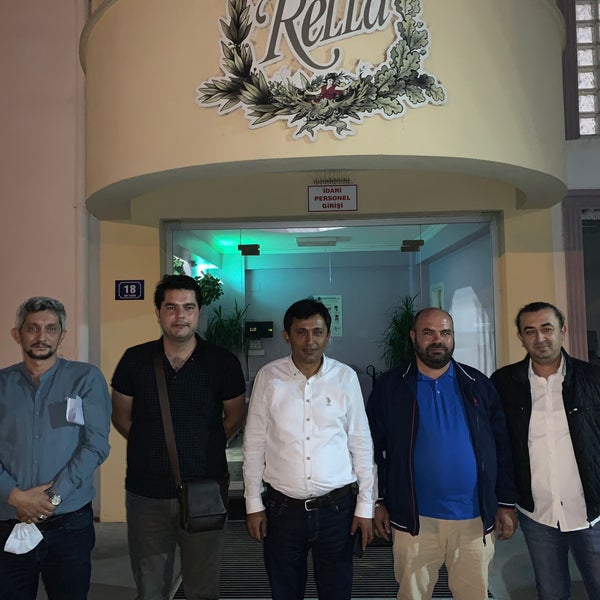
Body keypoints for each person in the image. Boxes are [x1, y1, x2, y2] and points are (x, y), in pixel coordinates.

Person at [111, 274, 246, 600]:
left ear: (199, 311)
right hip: (146, 495)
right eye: (171, 307)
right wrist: (150, 445)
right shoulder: (135, 360)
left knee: (202, 588)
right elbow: (121, 417)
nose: (180, 315)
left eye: (188, 307)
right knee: (150, 588)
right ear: (158, 312)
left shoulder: (222, 362)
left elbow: (235, 417)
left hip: (205, 491)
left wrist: (204, 445)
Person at [367, 307, 517, 600]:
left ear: (453, 337)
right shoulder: (391, 386)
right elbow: (371, 447)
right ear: (413, 337)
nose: (438, 340)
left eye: (445, 333)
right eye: (429, 333)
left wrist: (505, 502)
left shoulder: (478, 384)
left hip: (474, 518)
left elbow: (502, 447)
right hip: (415, 519)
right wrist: (378, 500)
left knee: (474, 594)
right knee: (412, 595)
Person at [243, 298, 375, 600]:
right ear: (287, 335)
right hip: (282, 512)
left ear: (328, 335)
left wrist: (365, 506)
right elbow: (254, 444)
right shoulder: (268, 378)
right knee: (285, 593)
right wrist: (253, 503)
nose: (310, 341)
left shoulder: (345, 378)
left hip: (337, 512)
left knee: (337, 593)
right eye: (301, 332)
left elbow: (361, 443)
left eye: (317, 332)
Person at [0, 296, 111, 599]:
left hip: (69, 525)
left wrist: (52, 496)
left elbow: (96, 444)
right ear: (17, 334)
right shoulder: (2, 384)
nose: (42, 336)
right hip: (8, 520)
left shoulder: (85, 378)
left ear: (62, 335)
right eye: (32, 328)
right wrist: (15, 496)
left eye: (51, 328)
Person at [491, 301, 600, 600]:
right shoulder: (504, 383)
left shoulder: (593, 379)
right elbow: (499, 448)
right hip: (537, 513)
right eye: (530, 331)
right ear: (521, 338)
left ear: (562, 331)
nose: (540, 338)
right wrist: (504, 502)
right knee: (551, 593)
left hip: (591, 511)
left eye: (547, 328)